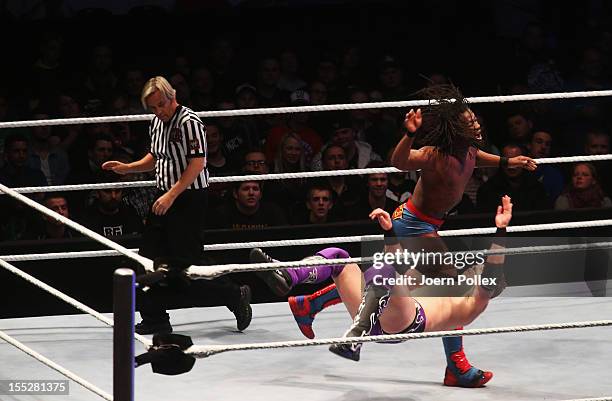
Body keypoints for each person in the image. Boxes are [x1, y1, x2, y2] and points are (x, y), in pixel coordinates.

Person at [339, 85, 535, 386]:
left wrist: (509, 162)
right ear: (456, 129)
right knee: (450, 283)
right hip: (411, 223)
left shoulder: (469, 149)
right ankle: (455, 366)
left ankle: (316, 299)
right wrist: (409, 134)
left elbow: (477, 158)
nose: (477, 124)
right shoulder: (434, 155)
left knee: (416, 279)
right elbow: (400, 162)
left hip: (429, 224)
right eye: (470, 122)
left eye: (476, 119)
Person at [253, 195, 512, 387]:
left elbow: (490, 274)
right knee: (339, 259)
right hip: (383, 311)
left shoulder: (473, 302)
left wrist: (500, 232)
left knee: (390, 269)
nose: (473, 266)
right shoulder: (446, 284)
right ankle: (288, 275)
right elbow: (399, 265)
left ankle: (354, 336)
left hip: (403, 322)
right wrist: (389, 233)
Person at [102, 76, 251, 334]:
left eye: (161, 104)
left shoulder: (190, 122)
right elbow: (156, 156)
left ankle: (234, 294)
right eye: (153, 108)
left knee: (183, 268)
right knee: (147, 259)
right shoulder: (157, 123)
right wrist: (128, 168)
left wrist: (172, 195)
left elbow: (197, 164)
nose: (158, 111)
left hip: (188, 199)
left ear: (172, 97)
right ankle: (154, 318)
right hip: (164, 196)